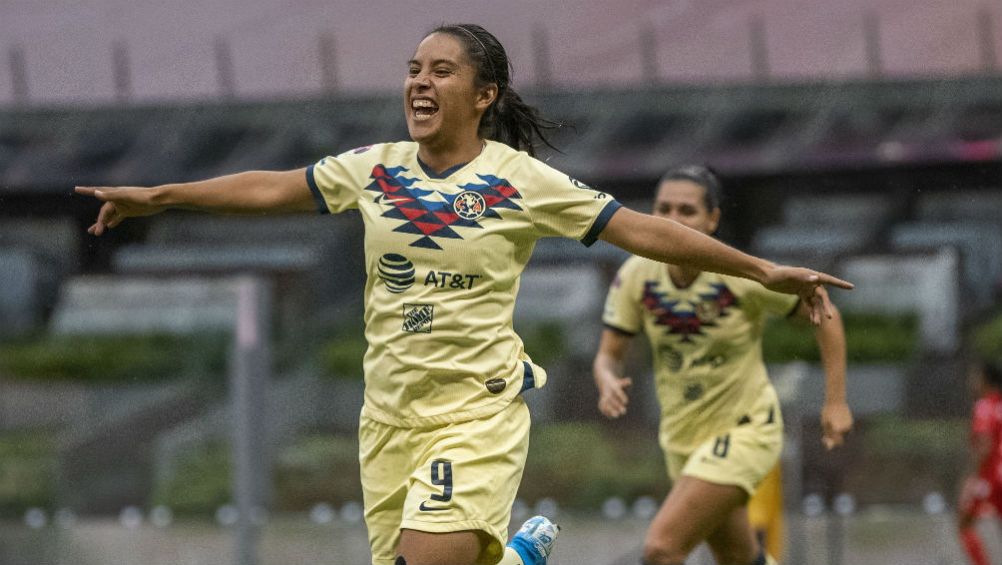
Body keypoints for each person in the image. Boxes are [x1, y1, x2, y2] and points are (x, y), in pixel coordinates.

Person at [76, 25, 852, 565]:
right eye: (415, 68)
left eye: (441, 70)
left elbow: (644, 231)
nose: (420, 81)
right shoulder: (374, 169)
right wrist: (162, 193)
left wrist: (760, 269)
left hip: (474, 415)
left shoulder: (519, 181)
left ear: (485, 95)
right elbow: (271, 187)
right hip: (386, 419)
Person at [592, 165, 854, 565]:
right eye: (663, 209)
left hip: (744, 431)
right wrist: (607, 379)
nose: (672, 221)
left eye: (687, 210)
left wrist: (836, 402)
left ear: (712, 219)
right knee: (739, 557)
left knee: (661, 549)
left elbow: (824, 313)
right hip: (682, 441)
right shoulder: (636, 275)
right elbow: (608, 354)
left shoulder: (739, 274)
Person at [957, 359, 1002, 565]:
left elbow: (984, 445)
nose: (972, 381)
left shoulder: (984, 406)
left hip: (991, 476)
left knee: (964, 522)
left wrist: (971, 478)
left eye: (975, 376)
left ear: (985, 379)